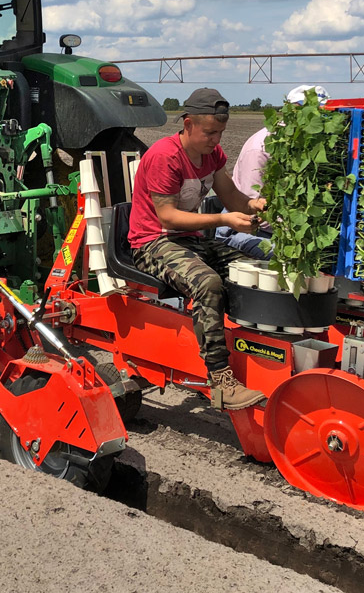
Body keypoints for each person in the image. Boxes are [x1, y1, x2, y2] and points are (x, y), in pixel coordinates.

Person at [128, 87, 268, 411]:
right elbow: (168, 216)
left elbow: (232, 195)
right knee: (208, 284)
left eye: (220, 132)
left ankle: (255, 354)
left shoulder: (212, 156)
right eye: (209, 132)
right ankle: (220, 379)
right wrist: (223, 219)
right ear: (188, 124)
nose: (216, 139)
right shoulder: (165, 157)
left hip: (189, 240)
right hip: (153, 242)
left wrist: (254, 205)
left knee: (250, 269)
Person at [217, 84, 330, 258]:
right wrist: (296, 231)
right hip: (245, 231)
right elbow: (251, 208)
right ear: (292, 111)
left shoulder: (309, 146)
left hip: (284, 229)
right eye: (311, 114)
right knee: (290, 257)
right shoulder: (261, 148)